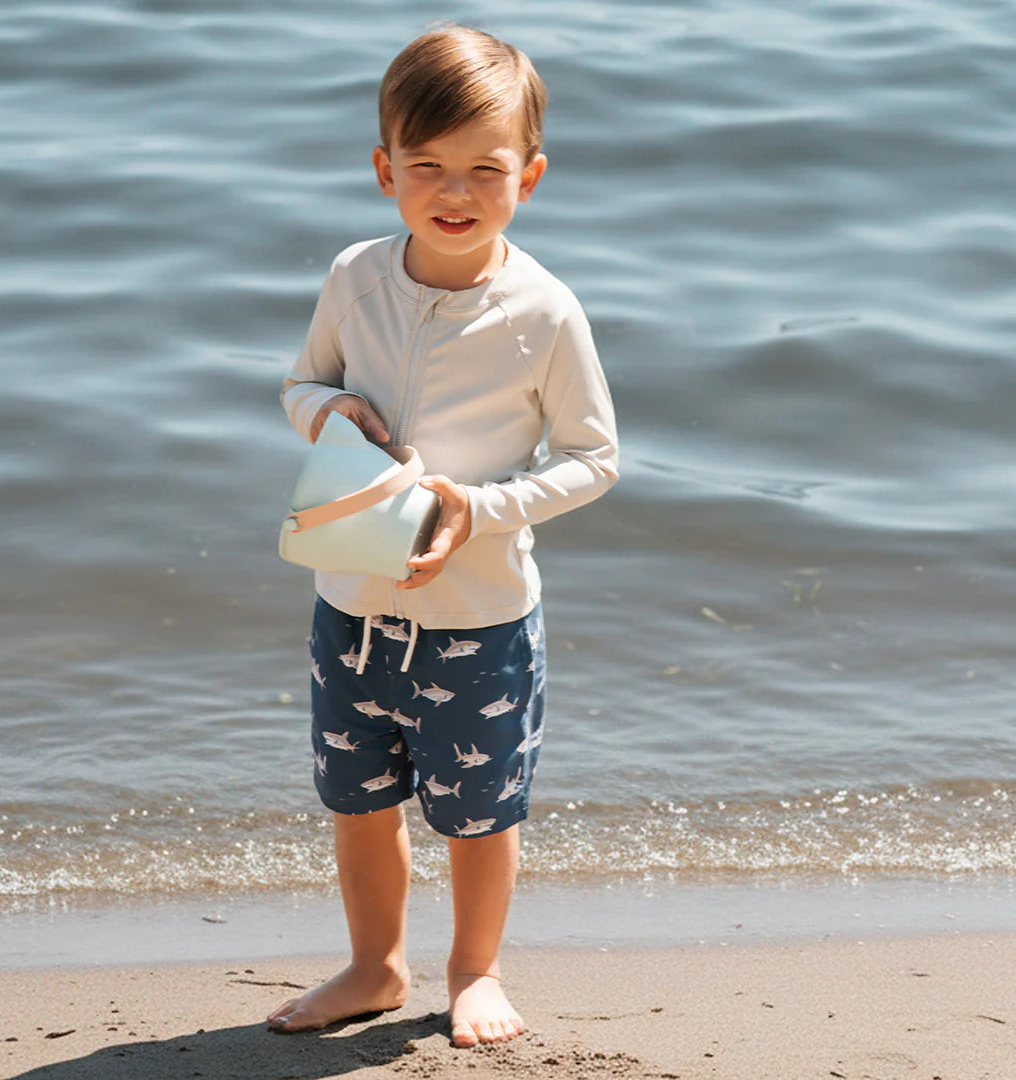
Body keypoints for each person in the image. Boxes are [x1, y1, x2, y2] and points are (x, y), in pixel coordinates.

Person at [268, 25, 617, 1048]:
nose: (453, 190)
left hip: (480, 619)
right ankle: (375, 967)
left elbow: (594, 460)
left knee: (479, 813)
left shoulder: (544, 314)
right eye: (425, 166)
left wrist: (480, 506)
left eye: (484, 169)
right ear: (385, 171)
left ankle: (475, 971)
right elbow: (301, 384)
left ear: (531, 176)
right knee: (358, 802)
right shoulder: (356, 277)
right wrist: (328, 417)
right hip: (352, 606)